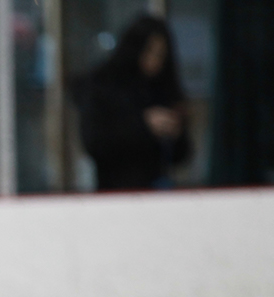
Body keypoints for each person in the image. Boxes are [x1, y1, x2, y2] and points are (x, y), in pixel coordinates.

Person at [75, 14, 191, 191]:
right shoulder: (104, 85)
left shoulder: (162, 87)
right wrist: (143, 125)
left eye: (161, 55)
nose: (155, 61)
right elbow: (95, 141)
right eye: (149, 52)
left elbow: (179, 155)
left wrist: (175, 131)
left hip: (156, 189)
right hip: (114, 190)